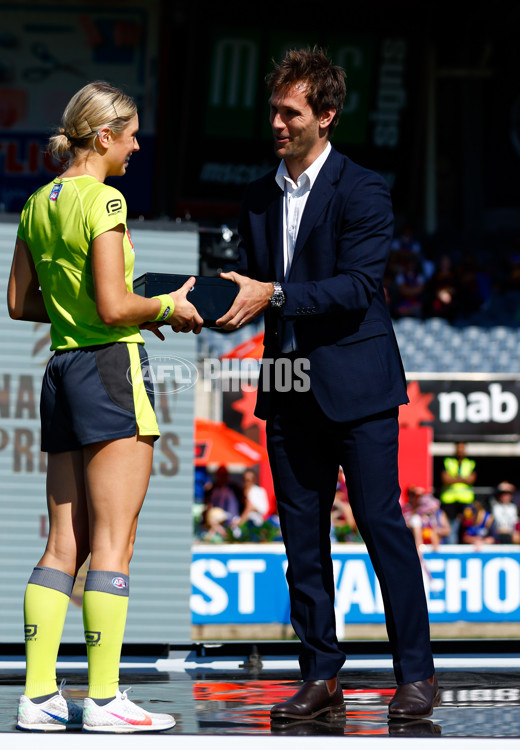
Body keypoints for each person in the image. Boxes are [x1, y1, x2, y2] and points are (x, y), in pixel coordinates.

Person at [216, 47, 438, 722]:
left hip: (359, 385)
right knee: (300, 540)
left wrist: (270, 295)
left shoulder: (364, 188)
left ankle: (418, 675)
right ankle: (320, 676)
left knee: (379, 524)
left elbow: (356, 288)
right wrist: (191, 310)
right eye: (274, 111)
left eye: (291, 112)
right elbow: (246, 291)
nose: (277, 123)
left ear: (327, 115)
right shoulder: (256, 196)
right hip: (286, 384)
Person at [7, 81, 203, 733]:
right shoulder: (105, 198)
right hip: (110, 366)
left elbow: (19, 303)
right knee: (114, 544)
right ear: (103, 136)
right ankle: (104, 698)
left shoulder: (39, 202)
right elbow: (119, 308)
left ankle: (38, 698)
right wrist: (168, 306)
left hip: (61, 368)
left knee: (63, 543)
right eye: (131, 134)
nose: (138, 145)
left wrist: (90, 309)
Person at [440, 442, 476, 543]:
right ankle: (451, 546)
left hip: (465, 500)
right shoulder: (448, 462)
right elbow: (445, 479)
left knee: (467, 525)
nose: (460, 451)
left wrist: (454, 478)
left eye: (462, 448)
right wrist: (463, 479)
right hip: (450, 500)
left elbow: (471, 479)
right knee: (451, 526)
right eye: (458, 448)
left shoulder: (470, 463)